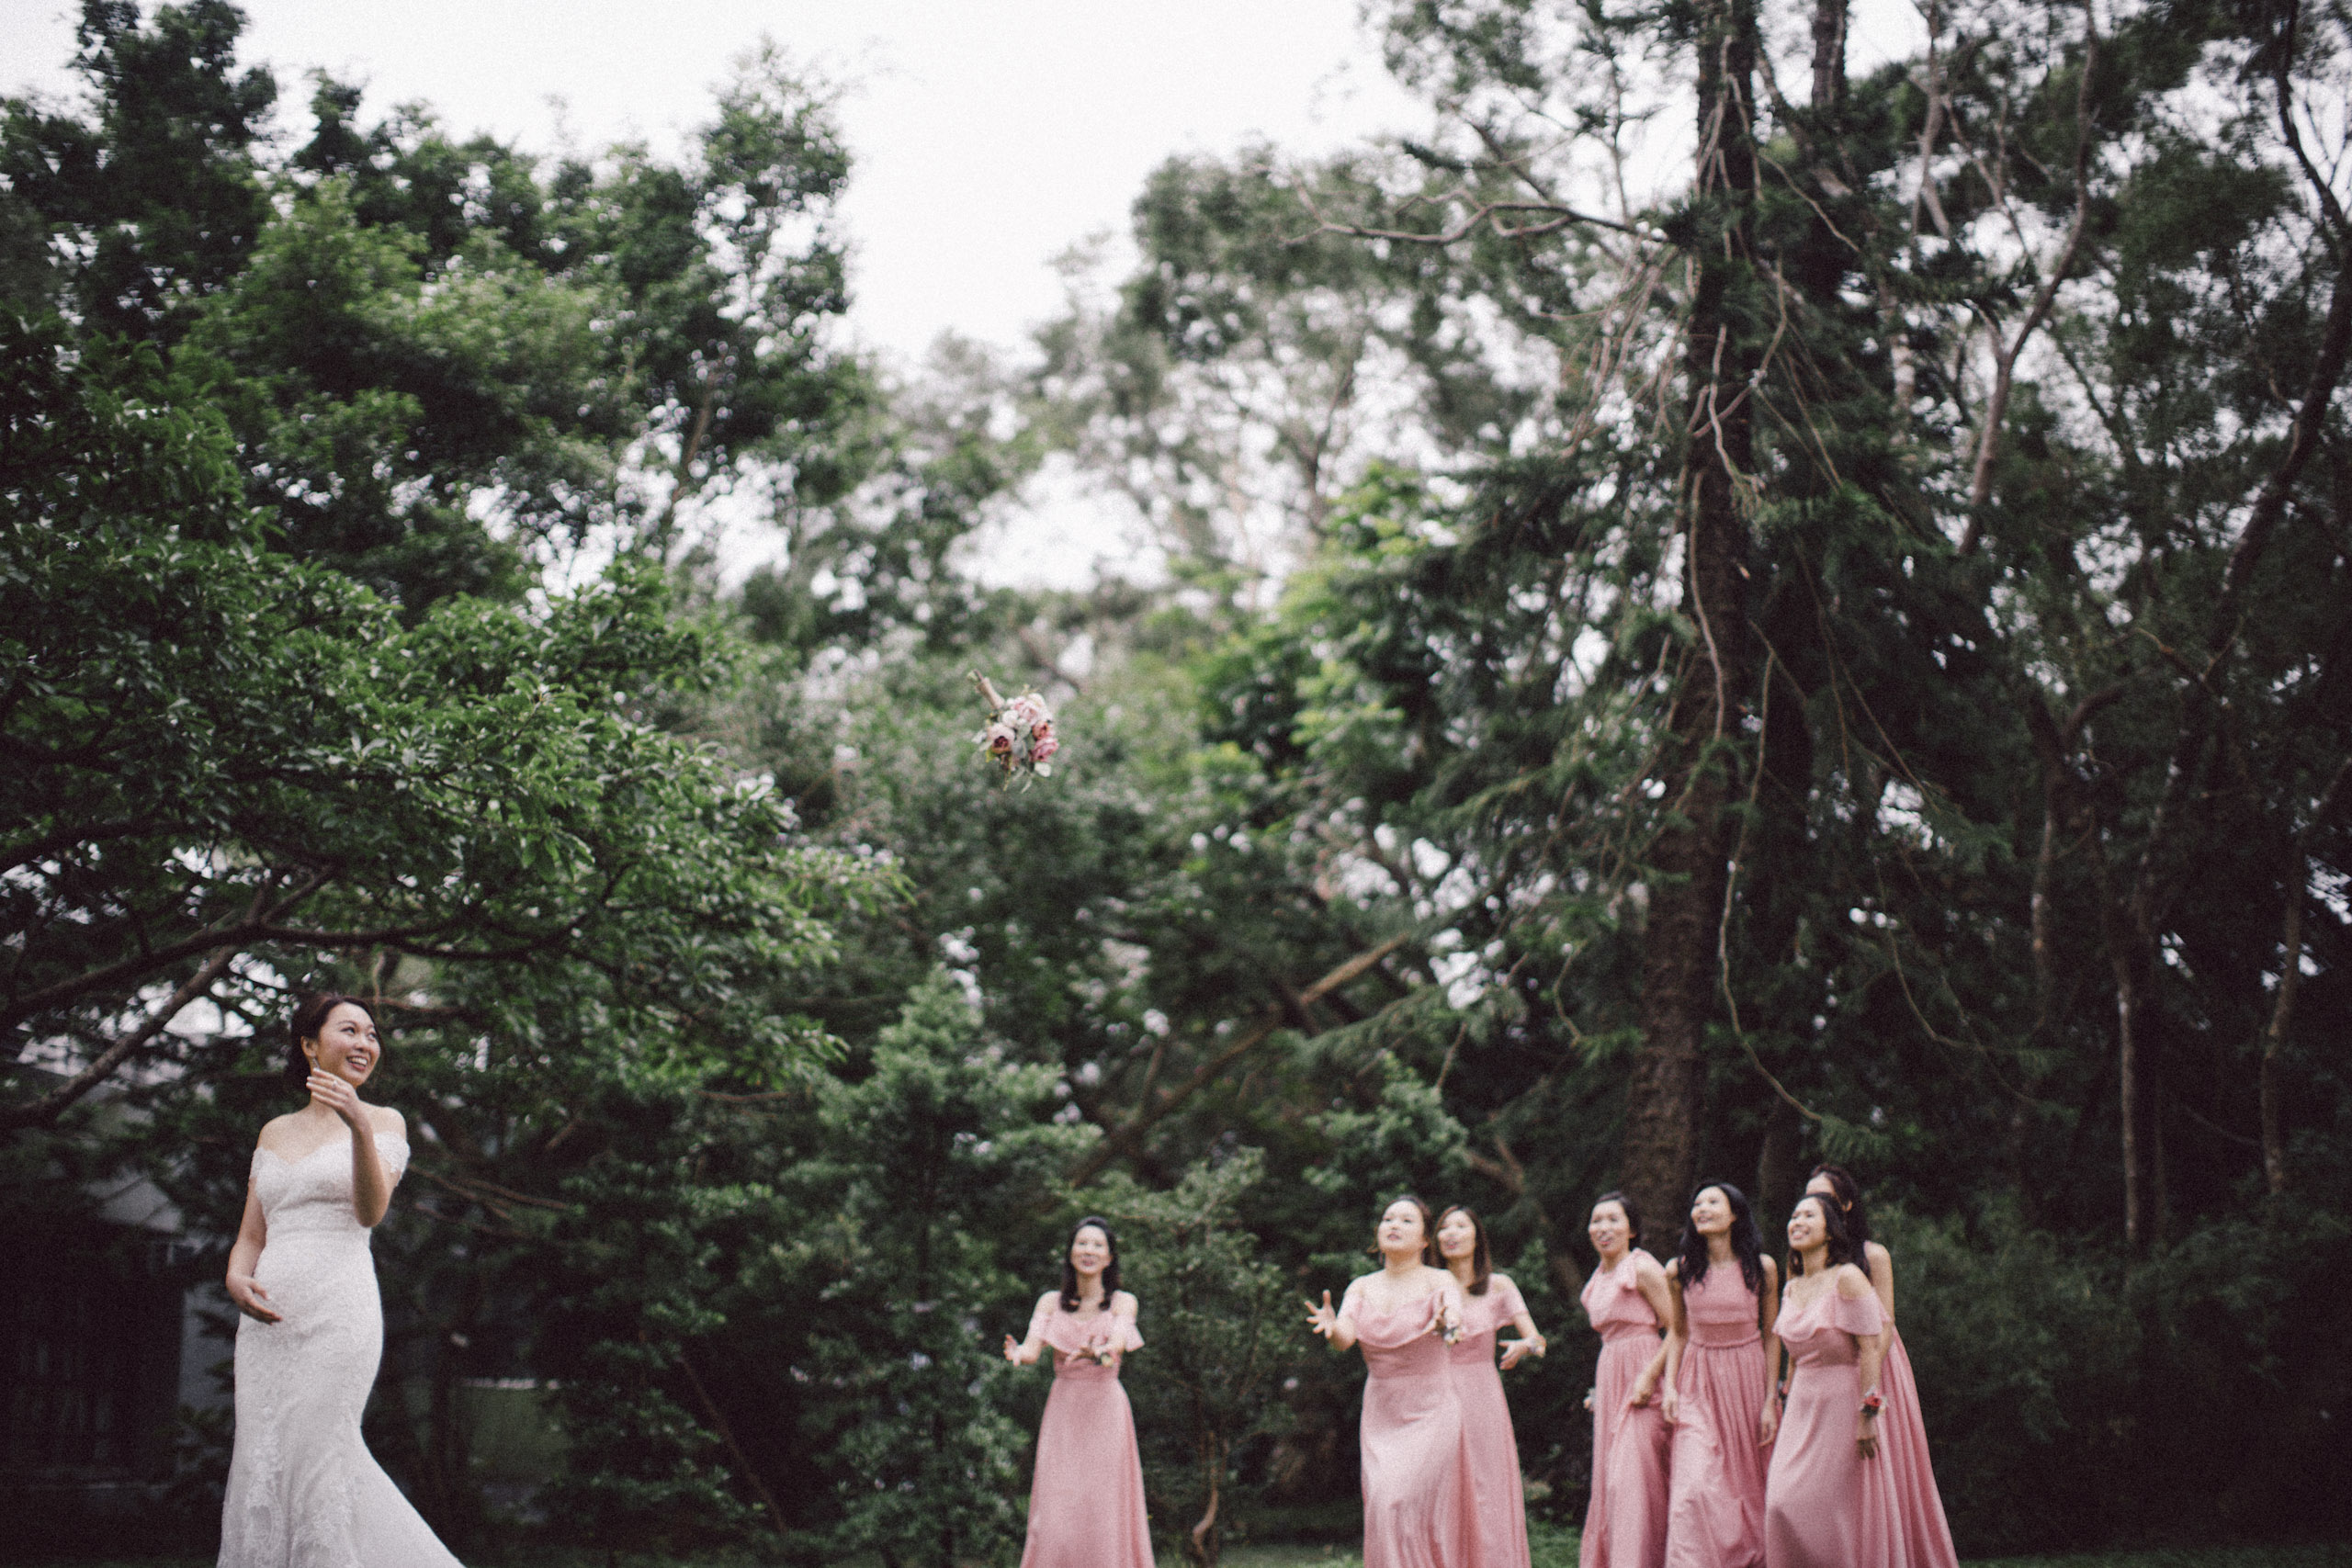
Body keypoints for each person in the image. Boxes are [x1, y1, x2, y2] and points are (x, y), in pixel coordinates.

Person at [218, 994, 462, 1568]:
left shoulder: (384, 1121)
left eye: (372, 1034)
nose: (365, 1044)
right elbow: (252, 1234)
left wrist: (357, 1124)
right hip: (268, 1326)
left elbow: (370, 1212)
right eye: (349, 1030)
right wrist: (235, 1277)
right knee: (263, 1459)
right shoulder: (274, 1132)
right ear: (309, 1044)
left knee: (323, 1456)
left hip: (339, 1312)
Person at [1804, 1164, 1958, 1568]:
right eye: (1808, 1197)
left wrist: (1863, 1372)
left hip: (1879, 1366)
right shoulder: (1805, 1261)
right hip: (1826, 1373)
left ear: (1845, 1204)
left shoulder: (1873, 1256)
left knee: (1878, 1464)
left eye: (1823, 1197)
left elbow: (1885, 1322)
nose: (1813, 1204)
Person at [1307, 1195, 1469, 1568]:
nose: (1394, 1225)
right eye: (1388, 1219)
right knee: (1382, 1505)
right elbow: (1344, 1339)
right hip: (1382, 1414)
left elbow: (1454, 1319)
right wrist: (1331, 1327)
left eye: (1406, 1221)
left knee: (1401, 1504)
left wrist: (1449, 1324)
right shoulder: (1362, 1287)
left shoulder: (1439, 1279)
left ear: (1425, 1240)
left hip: (1431, 1411)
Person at [1637, 1182, 1777, 1568]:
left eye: (1713, 1202)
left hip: (1747, 1378)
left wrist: (1770, 1399)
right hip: (1697, 1381)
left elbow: (1772, 1336)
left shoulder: (1762, 1268)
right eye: (1697, 1203)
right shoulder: (1679, 1270)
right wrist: (1670, 1387)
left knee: (1749, 1485)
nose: (1702, 1208)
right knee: (1693, 1486)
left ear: (1735, 1214)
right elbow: (1678, 1333)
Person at [1003, 1216, 1152, 1568]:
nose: (1089, 1250)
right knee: (1056, 1513)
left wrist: (1099, 1352)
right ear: (1070, 1253)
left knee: (1103, 1509)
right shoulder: (1049, 1302)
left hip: (1106, 1410)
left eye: (1098, 1245)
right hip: (1064, 1412)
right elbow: (1031, 1349)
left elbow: (1118, 1343)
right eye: (1082, 1243)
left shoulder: (1123, 1302)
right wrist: (1018, 1354)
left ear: (1109, 1257)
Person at [1761, 1195, 1894, 1568]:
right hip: (1801, 1406)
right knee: (1780, 1503)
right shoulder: (1792, 1287)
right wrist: (1785, 1399)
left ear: (1831, 1230)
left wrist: (1868, 1414)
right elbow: (1791, 1355)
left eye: (1809, 1215)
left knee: (1830, 1512)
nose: (1797, 1221)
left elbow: (1870, 1348)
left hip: (1841, 1402)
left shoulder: (1848, 1278)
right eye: (1794, 1215)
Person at [1435, 1204, 1544, 1568]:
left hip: (1482, 1395)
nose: (1451, 1233)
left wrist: (1524, 1346)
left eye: (1460, 1226)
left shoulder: (1500, 1286)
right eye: (1444, 1228)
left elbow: (1539, 1341)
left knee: (1486, 1484)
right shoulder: (1429, 1286)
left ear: (1477, 1238)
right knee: (1443, 1486)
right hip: (1435, 1393)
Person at [1580, 1190, 1672, 1568]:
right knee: (1611, 1482)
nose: (1603, 1228)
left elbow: (1680, 1328)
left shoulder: (1643, 1268)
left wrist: (1650, 1376)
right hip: (1611, 1374)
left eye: (1613, 1220)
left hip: (1645, 1375)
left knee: (1632, 1479)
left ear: (1631, 1229)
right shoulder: (1596, 1279)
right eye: (1596, 1220)